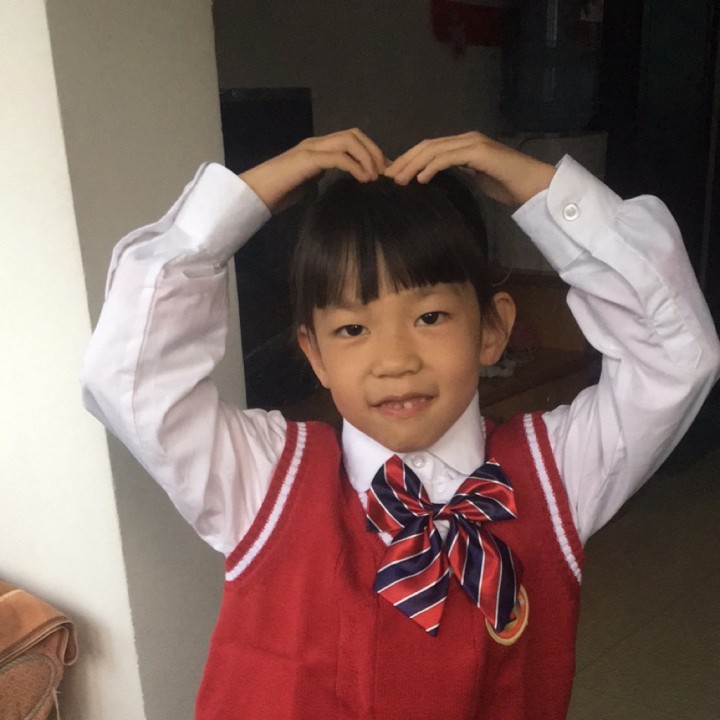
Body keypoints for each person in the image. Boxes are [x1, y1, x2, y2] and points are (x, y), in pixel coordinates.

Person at [81, 130, 720, 719]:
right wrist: (245, 200)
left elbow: (678, 356)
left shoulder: (558, 473)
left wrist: (545, 192)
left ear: (493, 328)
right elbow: (128, 378)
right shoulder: (260, 479)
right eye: (352, 328)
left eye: (430, 317)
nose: (395, 360)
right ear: (314, 354)